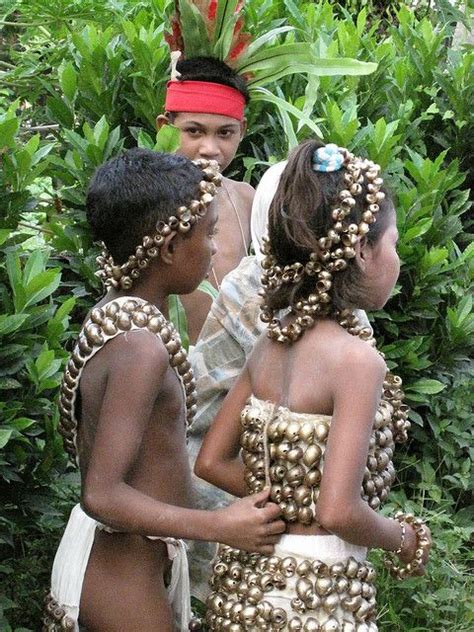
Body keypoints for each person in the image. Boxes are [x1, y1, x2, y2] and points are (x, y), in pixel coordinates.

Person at [43, 148, 284, 632]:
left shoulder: (121, 318)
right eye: (209, 232)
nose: (217, 247)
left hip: (130, 562)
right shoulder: (140, 349)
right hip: (117, 573)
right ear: (170, 247)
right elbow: (102, 494)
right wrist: (220, 526)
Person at [195, 140, 432, 630]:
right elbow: (339, 509)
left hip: (246, 582)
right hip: (318, 593)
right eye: (395, 246)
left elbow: (212, 462)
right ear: (363, 252)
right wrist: (406, 538)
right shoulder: (357, 361)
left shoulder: (270, 346)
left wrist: (283, 505)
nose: (398, 262)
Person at [157, 56, 255, 343]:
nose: (210, 148)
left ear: (242, 130)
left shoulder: (246, 198)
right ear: (165, 127)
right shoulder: (147, 202)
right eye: (194, 131)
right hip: (165, 367)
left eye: (225, 133)